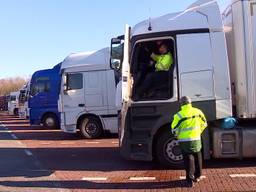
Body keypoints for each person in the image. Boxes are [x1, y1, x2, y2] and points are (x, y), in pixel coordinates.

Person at [171, 96, 207, 187]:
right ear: (190, 102)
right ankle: (198, 176)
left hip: (185, 141)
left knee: (188, 159)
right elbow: (204, 123)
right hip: (196, 139)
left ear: (181, 104)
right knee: (198, 156)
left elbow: (174, 129)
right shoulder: (198, 111)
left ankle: (189, 180)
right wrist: (199, 131)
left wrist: (177, 135)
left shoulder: (179, 115)